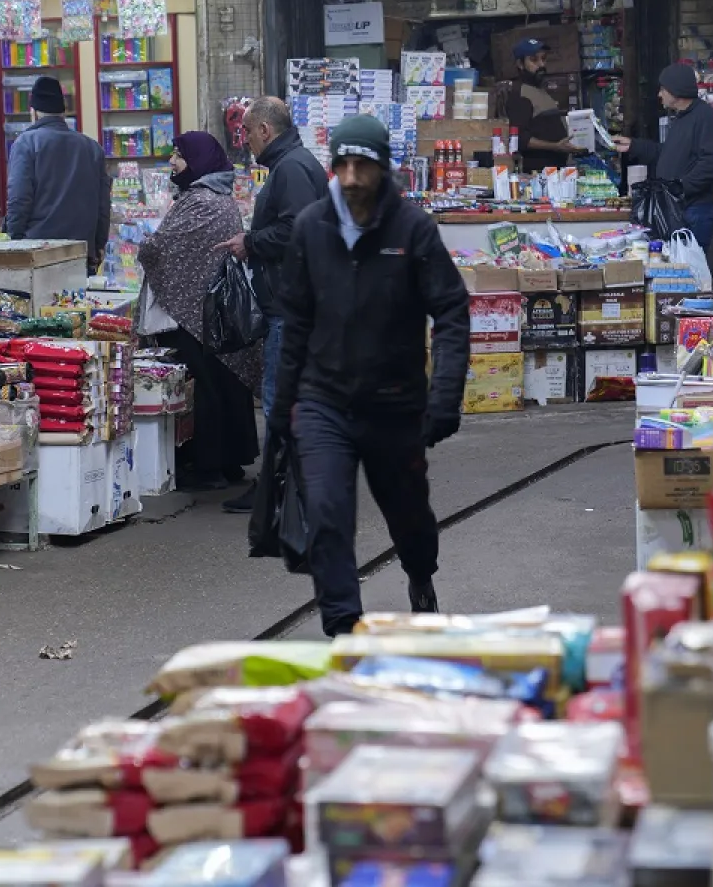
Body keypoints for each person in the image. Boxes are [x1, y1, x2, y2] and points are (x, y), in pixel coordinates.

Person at [270, 115, 470, 637]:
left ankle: (420, 576)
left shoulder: (412, 229)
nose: (352, 178)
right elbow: (296, 322)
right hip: (324, 400)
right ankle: (345, 629)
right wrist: (282, 409)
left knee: (410, 518)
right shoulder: (311, 227)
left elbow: (451, 312)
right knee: (327, 512)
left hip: (395, 404)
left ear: (383, 169)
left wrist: (444, 398)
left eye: (363, 166)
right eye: (343, 165)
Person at [213, 96, 327, 514]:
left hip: (290, 304)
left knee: (280, 398)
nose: (244, 140)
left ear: (265, 130)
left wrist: (251, 242)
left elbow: (296, 228)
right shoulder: (293, 164)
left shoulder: (292, 168)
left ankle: (277, 489)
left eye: (247, 132)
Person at [137, 132, 261, 490]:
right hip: (217, 311)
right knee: (225, 380)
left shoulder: (199, 201)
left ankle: (208, 467)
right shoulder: (220, 197)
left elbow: (161, 248)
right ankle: (231, 460)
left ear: (199, 160)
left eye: (179, 155)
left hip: (194, 311)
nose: (172, 162)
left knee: (203, 385)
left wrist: (145, 246)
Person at [613, 63, 713, 254]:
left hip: (693, 212)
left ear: (676, 91)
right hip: (677, 209)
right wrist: (633, 146)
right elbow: (667, 152)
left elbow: (710, 164)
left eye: (663, 89)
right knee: (675, 267)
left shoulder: (705, 117)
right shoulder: (681, 118)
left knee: (691, 268)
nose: (659, 94)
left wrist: (679, 188)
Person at [6, 77, 111, 274]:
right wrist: (97, 246)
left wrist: (14, 241)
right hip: (80, 253)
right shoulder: (92, 148)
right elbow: (103, 205)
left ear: (33, 112)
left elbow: (19, 199)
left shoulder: (26, 143)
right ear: (63, 112)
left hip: (38, 255)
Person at [495, 38, 582, 172]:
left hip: (554, 169)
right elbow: (520, 138)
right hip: (536, 172)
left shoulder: (540, 90)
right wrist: (555, 146)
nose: (541, 64)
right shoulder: (520, 94)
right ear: (520, 64)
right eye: (534, 60)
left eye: (543, 59)